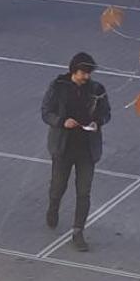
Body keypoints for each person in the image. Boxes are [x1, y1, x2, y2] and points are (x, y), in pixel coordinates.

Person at [41, 52, 111, 251]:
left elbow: (106, 113)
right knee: (58, 186)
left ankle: (78, 232)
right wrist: (62, 122)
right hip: (63, 147)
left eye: (88, 73)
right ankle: (53, 206)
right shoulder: (58, 87)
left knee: (84, 192)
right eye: (82, 73)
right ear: (73, 71)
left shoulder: (97, 89)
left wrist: (98, 122)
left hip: (87, 149)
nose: (86, 77)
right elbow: (46, 111)